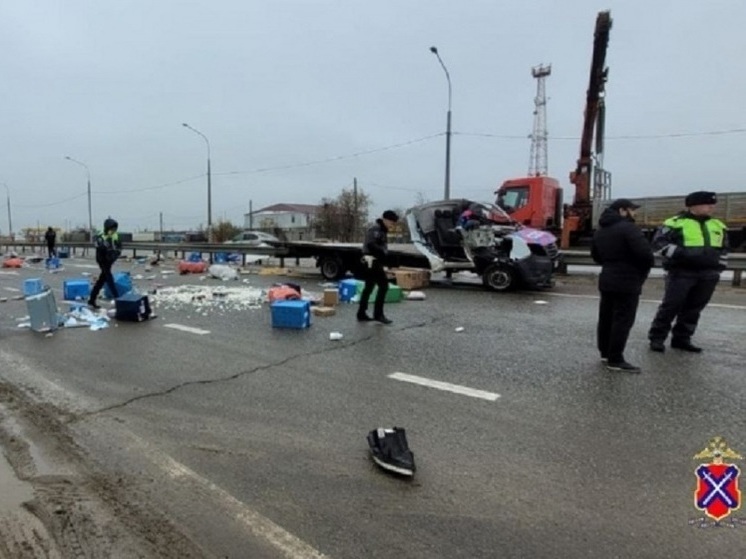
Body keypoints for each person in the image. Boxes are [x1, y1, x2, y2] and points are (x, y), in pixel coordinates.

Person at [648, 191, 728, 353]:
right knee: (671, 306)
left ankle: (682, 339)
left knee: (694, 308)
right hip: (681, 272)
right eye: (707, 204)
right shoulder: (675, 223)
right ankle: (657, 338)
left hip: (708, 274)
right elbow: (659, 244)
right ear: (694, 206)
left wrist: (718, 267)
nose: (712, 207)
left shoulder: (718, 225)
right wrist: (683, 255)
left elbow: (724, 249)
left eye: (713, 204)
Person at [591, 199, 655, 373]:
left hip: (607, 277)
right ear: (622, 210)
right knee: (623, 320)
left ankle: (605, 353)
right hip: (628, 280)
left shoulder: (601, 230)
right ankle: (616, 359)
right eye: (632, 210)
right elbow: (646, 255)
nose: (634, 214)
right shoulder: (629, 229)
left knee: (606, 318)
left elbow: (596, 256)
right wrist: (640, 271)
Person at [357, 210, 399, 324]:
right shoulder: (376, 229)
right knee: (383, 286)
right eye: (391, 222)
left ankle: (361, 313)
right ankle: (378, 314)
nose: (392, 225)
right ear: (385, 219)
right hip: (372, 261)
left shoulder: (382, 230)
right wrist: (382, 253)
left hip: (374, 261)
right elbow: (371, 244)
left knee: (369, 287)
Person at [88, 218, 123, 309]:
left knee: (102, 280)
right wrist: (103, 247)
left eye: (115, 228)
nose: (113, 230)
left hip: (110, 260)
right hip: (102, 260)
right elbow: (98, 246)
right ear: (107, 228)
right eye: (112, 228)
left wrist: (115, 254)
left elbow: (119, 247)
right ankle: (118, 300)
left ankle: (92, 299)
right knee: (109, 279)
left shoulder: (115, 236)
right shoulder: (101, 236)